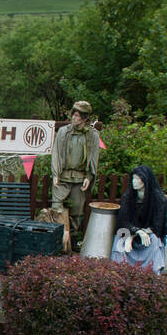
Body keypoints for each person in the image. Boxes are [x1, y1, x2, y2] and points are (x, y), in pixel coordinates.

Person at [50, 100, 101, 238]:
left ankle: (71, 240)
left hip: (79, 178)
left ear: (85, 118)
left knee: (77, 211)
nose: (74, 118)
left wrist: (88, 177)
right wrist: (55, 173)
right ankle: (55, 237)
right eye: (74, 115)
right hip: (62, 176)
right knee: (56, 207)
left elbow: (93, 157)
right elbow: (56, 153)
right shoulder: (63, 132)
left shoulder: (93, 135)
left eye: (78, 116)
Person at [110, 165, 167, 273]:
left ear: (145, 181)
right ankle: (119, 273)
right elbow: (123, 221)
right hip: (130, 231)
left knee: (155, 241)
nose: (134, 182)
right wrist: (134, 233)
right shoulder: (128, 197)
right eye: (133, 178)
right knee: (120, 239)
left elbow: (158, 225)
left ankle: (151, 274)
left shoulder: (159, 200)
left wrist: (142, 233)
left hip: (150, 233)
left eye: (137, 179)